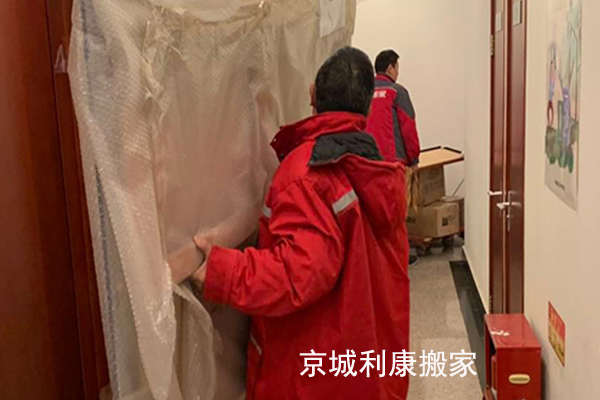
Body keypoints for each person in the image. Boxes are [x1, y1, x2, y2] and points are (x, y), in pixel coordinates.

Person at [176, 47, 411, 399]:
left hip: (318, 382)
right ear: (365, 107)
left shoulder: (306, 175)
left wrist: (222, 272)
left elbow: (298, 273)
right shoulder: (378, 172)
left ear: (313, 93)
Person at [367, 49, 421, 266]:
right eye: (397, 67)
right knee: (396, 212)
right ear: (390, 68)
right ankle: (399, 256)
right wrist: (414, 159)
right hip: (393, 163)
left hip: (367, 163)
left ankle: (376, 257)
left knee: (373, 212)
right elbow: (408, 127)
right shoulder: (397, 92)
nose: (398, 72)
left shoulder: (364, 91)